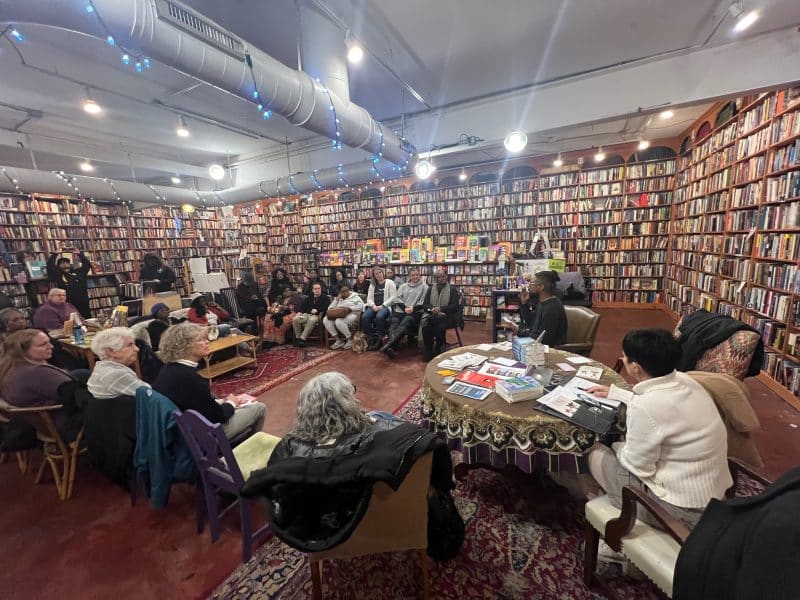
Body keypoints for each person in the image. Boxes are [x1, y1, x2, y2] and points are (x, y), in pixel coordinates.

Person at [240, 372, 461, 559]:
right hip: (380, 515)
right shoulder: (385, 441)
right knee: (379, 416)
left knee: (376, 415)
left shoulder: (288, 449)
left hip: (323, 521)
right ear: (346, 402)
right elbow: (430, 453)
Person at [586, 329, 732, 535]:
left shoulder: (645, 407)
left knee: (592, 450)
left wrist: (618, 446)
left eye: (625, 358)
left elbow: (638, 467)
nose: (622, 359)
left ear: (636, 368)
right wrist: (617, 393)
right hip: (711, 497)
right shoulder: (686, 380)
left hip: (679, 511)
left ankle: (613, 526)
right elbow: (663, 408)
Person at [152, 323, 265, 441]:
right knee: (259, 408)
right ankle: (248, 448)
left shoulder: (167, 370)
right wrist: (231, 403)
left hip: (184, 432)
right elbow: (219, 416)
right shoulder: (189, 378)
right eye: (201, 339)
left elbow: (199, 403)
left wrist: (222, 402)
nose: (207, 341)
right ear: (185, 346)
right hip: (203, 438)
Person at [0, 329, 83, 441]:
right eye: (43, 344)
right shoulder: (37, 373)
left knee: (81, 373)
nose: (51, 346)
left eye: (49, 342)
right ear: (23, 351)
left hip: (38, 425)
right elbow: (76, 395)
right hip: (64, 425)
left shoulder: (10, 369)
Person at [506, 270, 568, 347]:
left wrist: (519, 331)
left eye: (531, 283)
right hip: (538, 348)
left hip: (551, 352)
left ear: (541, 287)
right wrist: (524, 303)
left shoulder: (552, 309)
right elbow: (531, 321)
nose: (528, 286)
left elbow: (542, 339)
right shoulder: (542, 303)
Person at [87, 327, 150, 400]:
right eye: (130, 345)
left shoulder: (100, 367)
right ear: (110, 351)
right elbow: (151, 395)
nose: (137, 349)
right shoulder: (117, 374)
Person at [380, 268, 428, 358]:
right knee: (394, 320)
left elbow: (424, 302)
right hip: (402, 310)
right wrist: (405, 308)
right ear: (409, 276)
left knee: (407, 320)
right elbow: (397, 298)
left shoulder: (424, 287)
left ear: (419, 275)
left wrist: (413, 308)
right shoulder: (403, 286)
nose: (415, 277)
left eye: (417, 275)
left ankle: (390, 344)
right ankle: (392, 346)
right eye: (413, 275)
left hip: (416, 312)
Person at [420, 271, 460, 361]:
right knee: (426, 325)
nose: (442, 278)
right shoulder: (430, 289)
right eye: (439, 277)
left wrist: (441, 309)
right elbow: (425, 304)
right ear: (435, 279)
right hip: (434, 314)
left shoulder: (452, 289)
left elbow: (455, 306)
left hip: (449, 315)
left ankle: (439, 349)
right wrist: (433, 310)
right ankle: (429, 350)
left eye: (443, 276)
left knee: (439, 327)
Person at [46, 247, 91, 318]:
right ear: (58, 266)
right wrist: (55, 254)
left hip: (83, 301)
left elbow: (87, 265)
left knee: (86, 319)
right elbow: (50, 266)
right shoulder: (58, 275)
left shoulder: (78, 272)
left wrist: (79, 254)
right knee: (72, 321)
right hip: (69, 303)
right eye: (62, 263)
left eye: (66, 262)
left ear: (70, 264)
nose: (64, 264)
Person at [361, 267, 397, 351]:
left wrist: (383, 306)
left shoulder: (390, 283)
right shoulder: (372, 285)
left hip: (386, 307)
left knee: (379, 317)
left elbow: (393, 297)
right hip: (374, 306)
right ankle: (372, 338)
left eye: (380, 272)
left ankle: (381, 339)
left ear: (382, 272)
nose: (378, 275)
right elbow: (369, 299)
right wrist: (373, 305)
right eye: (376, 274)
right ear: (374, 276)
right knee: (364, 317)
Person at [322, 285, 364, 350]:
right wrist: (336, 299)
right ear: (340, 292)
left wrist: (350, 308)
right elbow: (330, 308)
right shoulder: (339, 298)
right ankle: (338, 340)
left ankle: (350, 340)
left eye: (346, 290)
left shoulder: (355, 297)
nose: (345, 292)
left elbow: (361, 306)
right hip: (339, 314)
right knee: (326, 319)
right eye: (343, 291)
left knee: (338, 321)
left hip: (352, 314)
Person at [293, 282, 330, 347]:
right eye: (315, 289)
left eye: (319, 288)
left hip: (317, 315)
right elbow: (303, 306)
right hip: (306, 314)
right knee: (295, 319)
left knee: (312, 320)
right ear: (312, 290)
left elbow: (326, 307)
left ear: (321, 289)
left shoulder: (325, 297)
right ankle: (298, 338)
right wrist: (299, 312)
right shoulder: (309, 297)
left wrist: (317, 310)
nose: (317, 290)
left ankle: (302, 339)